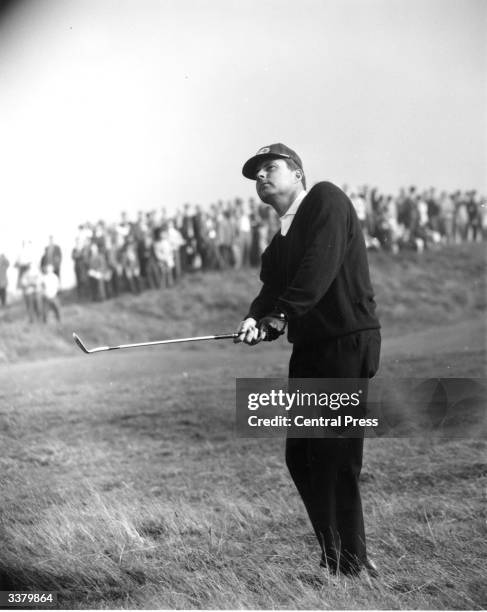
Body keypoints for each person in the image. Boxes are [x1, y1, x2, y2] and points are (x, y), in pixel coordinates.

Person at [234, 143, 381, 577]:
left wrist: (279, 315)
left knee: (335, 455)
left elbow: (318, 266)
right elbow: (271, 289)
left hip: (345, 341)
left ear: (298, 173)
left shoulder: (326, 199)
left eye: (270, 168)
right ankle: (336, 554)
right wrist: (254, 318)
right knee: (301, 456)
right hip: (312, 348)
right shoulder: (279, 240)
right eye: (256, 173)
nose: (262, 177)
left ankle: (353, 562)